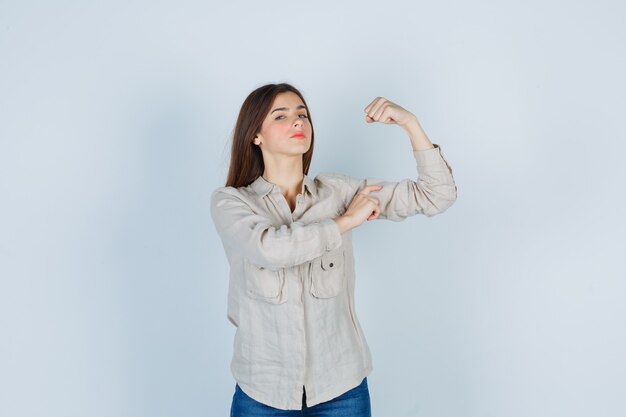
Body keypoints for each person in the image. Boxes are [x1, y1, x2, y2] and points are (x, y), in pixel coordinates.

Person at [210, 82, 457, 416]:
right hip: (261, 391)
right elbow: (271, 249)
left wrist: (410, 123)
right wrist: (345, 222)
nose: (298, 122)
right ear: (256, 135)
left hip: (342, 389)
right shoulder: (232, 202)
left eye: (303, 115)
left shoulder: (338, 192)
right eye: (281, 116)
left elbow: (436, 195)